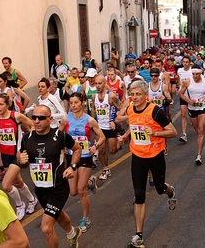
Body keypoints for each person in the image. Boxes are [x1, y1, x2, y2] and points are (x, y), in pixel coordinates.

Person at [117, 81, 177, 248]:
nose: (134, 98)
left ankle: (169, 190)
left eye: (138, 94)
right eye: (132, 94)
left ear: (145, 96)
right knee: (139, 195)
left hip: (155, 156)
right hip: (137, 157)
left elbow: (173, 131)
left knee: (158, 189)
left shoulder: (155, 111)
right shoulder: (130, 109)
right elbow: (135, 125)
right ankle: (139, 235)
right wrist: (125, 135)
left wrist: (155, 132)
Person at [18, 105, 82, 248]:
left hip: (58, 187)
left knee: (46, 227)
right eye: (34, 117)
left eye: (41, 118)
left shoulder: (60, 136)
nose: (36, 121)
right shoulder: (26, 138)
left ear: (50, 119)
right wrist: (21, 161)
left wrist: (72, 167)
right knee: (57, 214)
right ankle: (73, 233)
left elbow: (77, 149)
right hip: (40, 189)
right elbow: (22, 160)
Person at [0, 93, 38, 220]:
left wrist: (28, 143)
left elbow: (32, 124)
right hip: (5, 155)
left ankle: (19, 205)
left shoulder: (15, 116)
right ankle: (32, 199)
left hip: (16, 155)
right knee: (17, 182)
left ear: (8, 104)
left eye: (1, 104)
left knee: (6, 185)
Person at [59, 92, 105, 233]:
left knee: (80, 191)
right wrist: (63, 148)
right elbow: (58, 136)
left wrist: (95, 146)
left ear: (82, 103)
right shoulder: (65, 119)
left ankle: (86, 218)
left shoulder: (89, 120)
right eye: (71, 103)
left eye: (76, 103)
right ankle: (91, 182)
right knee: (72, 192)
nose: (73, 105)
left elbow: (102, 136)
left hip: (85, 156)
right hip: (72, 157)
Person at [179, 65, 205, 164]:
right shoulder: (187, 81)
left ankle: (199, 155)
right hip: (192, 108)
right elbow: (181, 93)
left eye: (197, 74)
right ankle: (202, 130)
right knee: (196, 130)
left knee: (200, 131)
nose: (195, 76)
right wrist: (189, 101)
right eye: (193, 74)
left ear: (201, 73)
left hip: (203, 107)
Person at [91, 75, 123, 180]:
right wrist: (92, 122)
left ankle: (120, 142)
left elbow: (121, 108)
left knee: (112, 151)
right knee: (101, 149)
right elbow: (93, 109)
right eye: (96, 83)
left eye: (99, 83)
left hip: (110, 128)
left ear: (105, 84)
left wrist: (114, 121)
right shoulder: (94, 97)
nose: (97, 86)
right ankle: (105, 169)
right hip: (99, 128)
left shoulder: (111, 96)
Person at [177, 56, 192, 142]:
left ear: (190, 63)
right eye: (184, 62)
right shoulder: (179, 71)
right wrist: (179, 89)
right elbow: (179, 81)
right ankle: (184, 134)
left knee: (194, 115)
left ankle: (200, 127)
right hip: (183, 95)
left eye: (187, 62)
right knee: (183, 114)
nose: (185, 63)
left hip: (192, 95)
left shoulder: (192, 71)